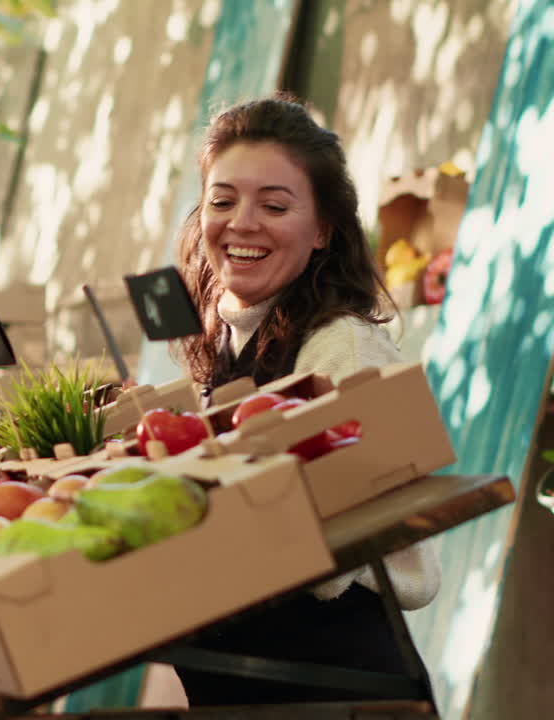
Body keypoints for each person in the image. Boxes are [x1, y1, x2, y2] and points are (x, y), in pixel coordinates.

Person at [172, 94, 441, 705]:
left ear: (321, 230)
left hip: (332, 687)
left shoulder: (343, 350)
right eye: (222, 200)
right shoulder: (231, 337)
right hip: (258, 683)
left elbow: (332, 538)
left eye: (274, 204)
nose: (241, 222)